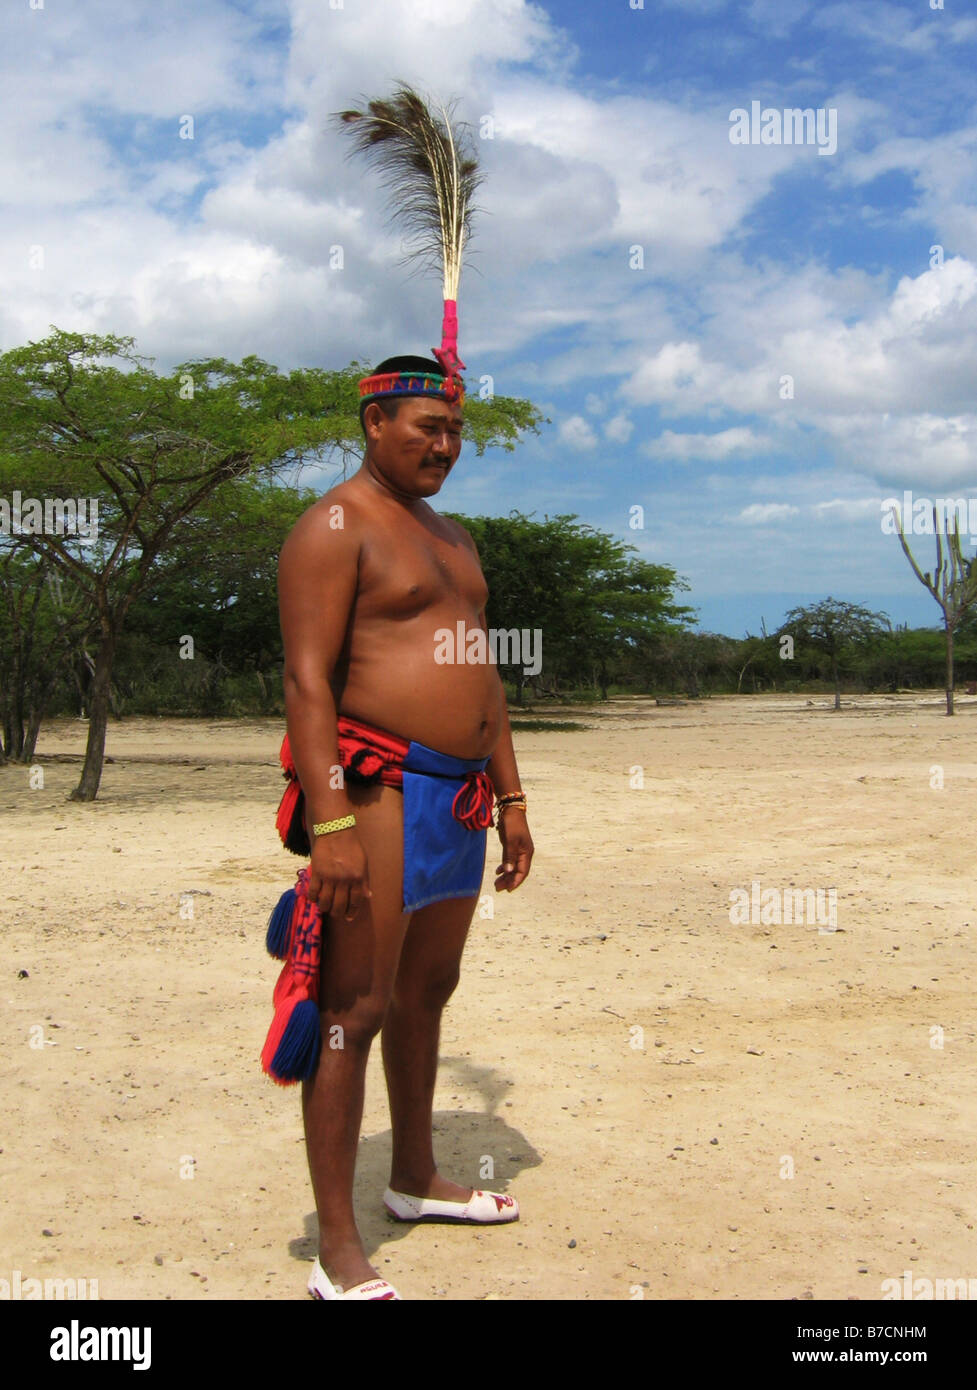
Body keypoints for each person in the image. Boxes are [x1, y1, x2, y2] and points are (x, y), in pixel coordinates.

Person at [275, 355, 534, 1301]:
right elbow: (307, 681)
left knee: (429, 991)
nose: (443, 445)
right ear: (373, 424)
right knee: (353, 1010)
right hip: (377, 790)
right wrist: (332, 820)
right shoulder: (332, 527)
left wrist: (511, 801)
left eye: (454, 431)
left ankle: (415, 1177)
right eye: (425, 427)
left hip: (460, 796)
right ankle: (339, 1250)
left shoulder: (455, 539)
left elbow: (486, 680)